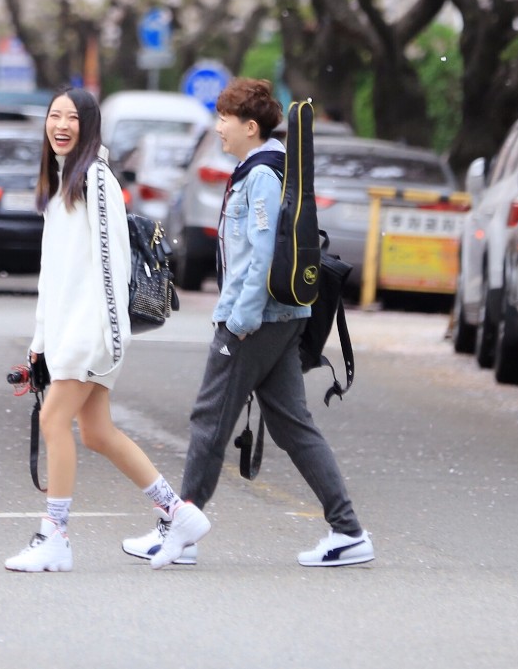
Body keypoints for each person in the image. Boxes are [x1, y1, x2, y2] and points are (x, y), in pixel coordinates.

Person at [126, 77, 372, 570]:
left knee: (208, 420)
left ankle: (180, 531)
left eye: (224, 118)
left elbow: (259, 253)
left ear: (250, 127)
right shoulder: (265, 167)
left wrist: (238, 321)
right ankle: (348, 532)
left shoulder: (261, 175)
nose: (218, 127)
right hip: (282, 317)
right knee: (292, 426)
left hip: (256, 320)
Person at [7, 88, 186, 573]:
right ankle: (177, 513)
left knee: (53, 422)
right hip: (69, 334)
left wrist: (110, 335)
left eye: (72, 118)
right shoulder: (63, 179)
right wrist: (39, 346)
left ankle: (55, 536)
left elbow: (113, 265)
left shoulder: (96, 179)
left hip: (93, 333)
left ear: (89, 126)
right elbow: (52, 276)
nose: (60, 125)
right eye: (54, 116)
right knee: (97, 432)